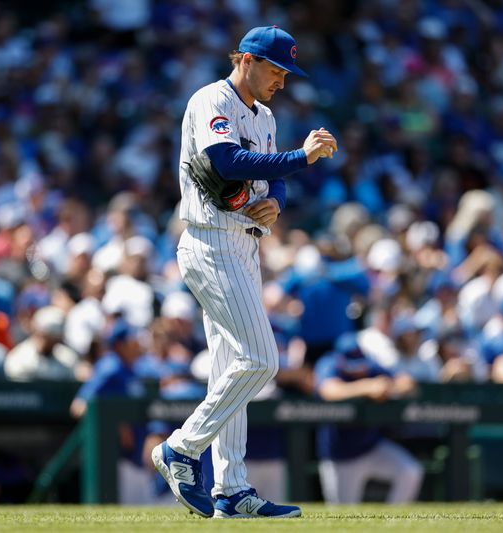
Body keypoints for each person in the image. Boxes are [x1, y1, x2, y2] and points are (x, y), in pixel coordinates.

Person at [151, 25, 337, 519]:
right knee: (262, 359)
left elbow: (269, 176)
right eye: (276, 69)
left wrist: (275, 201)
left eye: (287, 72)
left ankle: (230, 489)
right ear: (247, 60)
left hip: (244, 244)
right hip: (210, 241)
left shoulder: (267, 115)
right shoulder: (211, 99)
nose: (282, 80)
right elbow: (227, 161)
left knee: (230, 367)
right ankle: (181, 448)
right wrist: (302, 156)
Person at [315, 333, 423, 504]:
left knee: (409, 471)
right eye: (353, 366)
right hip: (340, 455)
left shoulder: (371, 366)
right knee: (342, 518)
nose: (358, 370)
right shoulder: (329, 363)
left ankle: (393, 526)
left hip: (370, 447)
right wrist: (367, 388)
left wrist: (389, 389)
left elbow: (407, 382)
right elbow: (329, 391)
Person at [70, 321, 151, 504]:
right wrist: (116, 428)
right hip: (119, 458)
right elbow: (79, 405)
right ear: (120, 344)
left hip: (136, 455)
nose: (137, 343)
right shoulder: (110, 367)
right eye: (132, 340)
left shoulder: (132, 368)